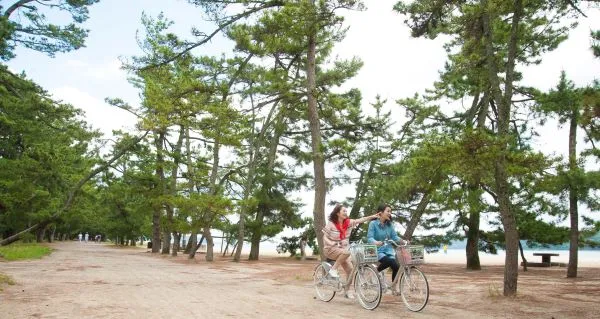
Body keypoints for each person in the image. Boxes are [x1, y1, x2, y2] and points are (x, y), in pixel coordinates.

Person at [322, 204, 380, 281]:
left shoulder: (348, 223)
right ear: (338, 213)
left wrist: (373, 216)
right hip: (330, 249)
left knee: (350, 271)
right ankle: (333, 269)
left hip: (343, 251)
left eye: (346, 211)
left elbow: (361, 219)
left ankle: (346, 292)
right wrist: (330, 243)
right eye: (343, 211)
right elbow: (324, 237)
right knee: (347, 252)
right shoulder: (331, 224)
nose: (346, 212)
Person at [367, 204, 403, 284]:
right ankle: (375, 273)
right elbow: (370, 238)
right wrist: (375, 242)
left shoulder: (389, 225)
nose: (390, 213)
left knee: (396, 266)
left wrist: (403, 241)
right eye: (388, 211)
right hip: (377, 250)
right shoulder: (373, 224)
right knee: (389, 261)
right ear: (381, 212)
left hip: (388, 250)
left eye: (390, 211)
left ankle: (393, 287)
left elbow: (394, 237)